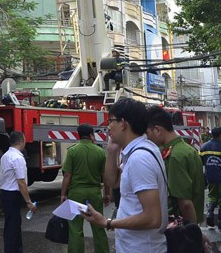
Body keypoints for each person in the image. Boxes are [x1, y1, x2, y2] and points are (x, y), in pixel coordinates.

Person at [81, 98, 167, 252]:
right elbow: (112, 182)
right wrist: (111, 152)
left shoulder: (139, 159)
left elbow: (153, 218)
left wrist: (108, 222)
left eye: (110, 120)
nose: (108, 126)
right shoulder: (140, 149)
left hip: (141, 248)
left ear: (123, 123)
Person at [146, 106, 205, 225]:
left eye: (148, 133)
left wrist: (191, 233)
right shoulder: (188, 150)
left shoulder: (174, 157)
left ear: (157, 130)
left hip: (180, 227)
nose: (147, 138)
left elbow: (186, 204)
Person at [61, 123, 109, 253]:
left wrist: (63, 194)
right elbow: (105, 176)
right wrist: (107, 194)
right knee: (99, 226)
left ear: (78, 135)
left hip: (76, 192)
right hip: (94, 192)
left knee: (75, 228)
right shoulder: (100, 152)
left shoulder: (72, 151)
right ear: (91, 135)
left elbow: (67, 175)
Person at [0, 131, 37, 253]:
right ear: (21, 141)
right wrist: (28, 202)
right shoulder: (18, 158)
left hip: (4, 193)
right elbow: (21, 182)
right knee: (14, 227)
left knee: (10, 225)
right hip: (12, 194)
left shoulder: (5, 155)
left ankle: (13, 249)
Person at [200, 126, 221, 231]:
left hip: (210, 176)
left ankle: (209, 213)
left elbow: (201, 162)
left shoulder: (204, 147)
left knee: (212, 195)